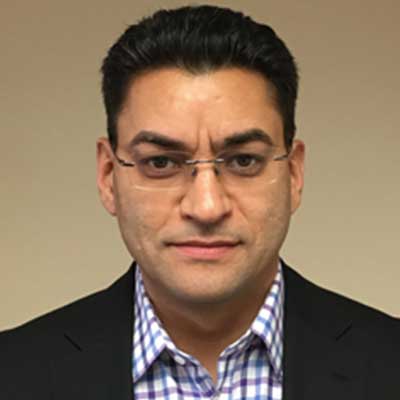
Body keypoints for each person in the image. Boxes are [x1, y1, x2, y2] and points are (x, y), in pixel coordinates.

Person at [0, 5, 398, 400]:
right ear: (108, 176)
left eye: (243, 161)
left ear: (293, 174)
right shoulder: (12, 373)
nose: (207, 207)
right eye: (161, 162)